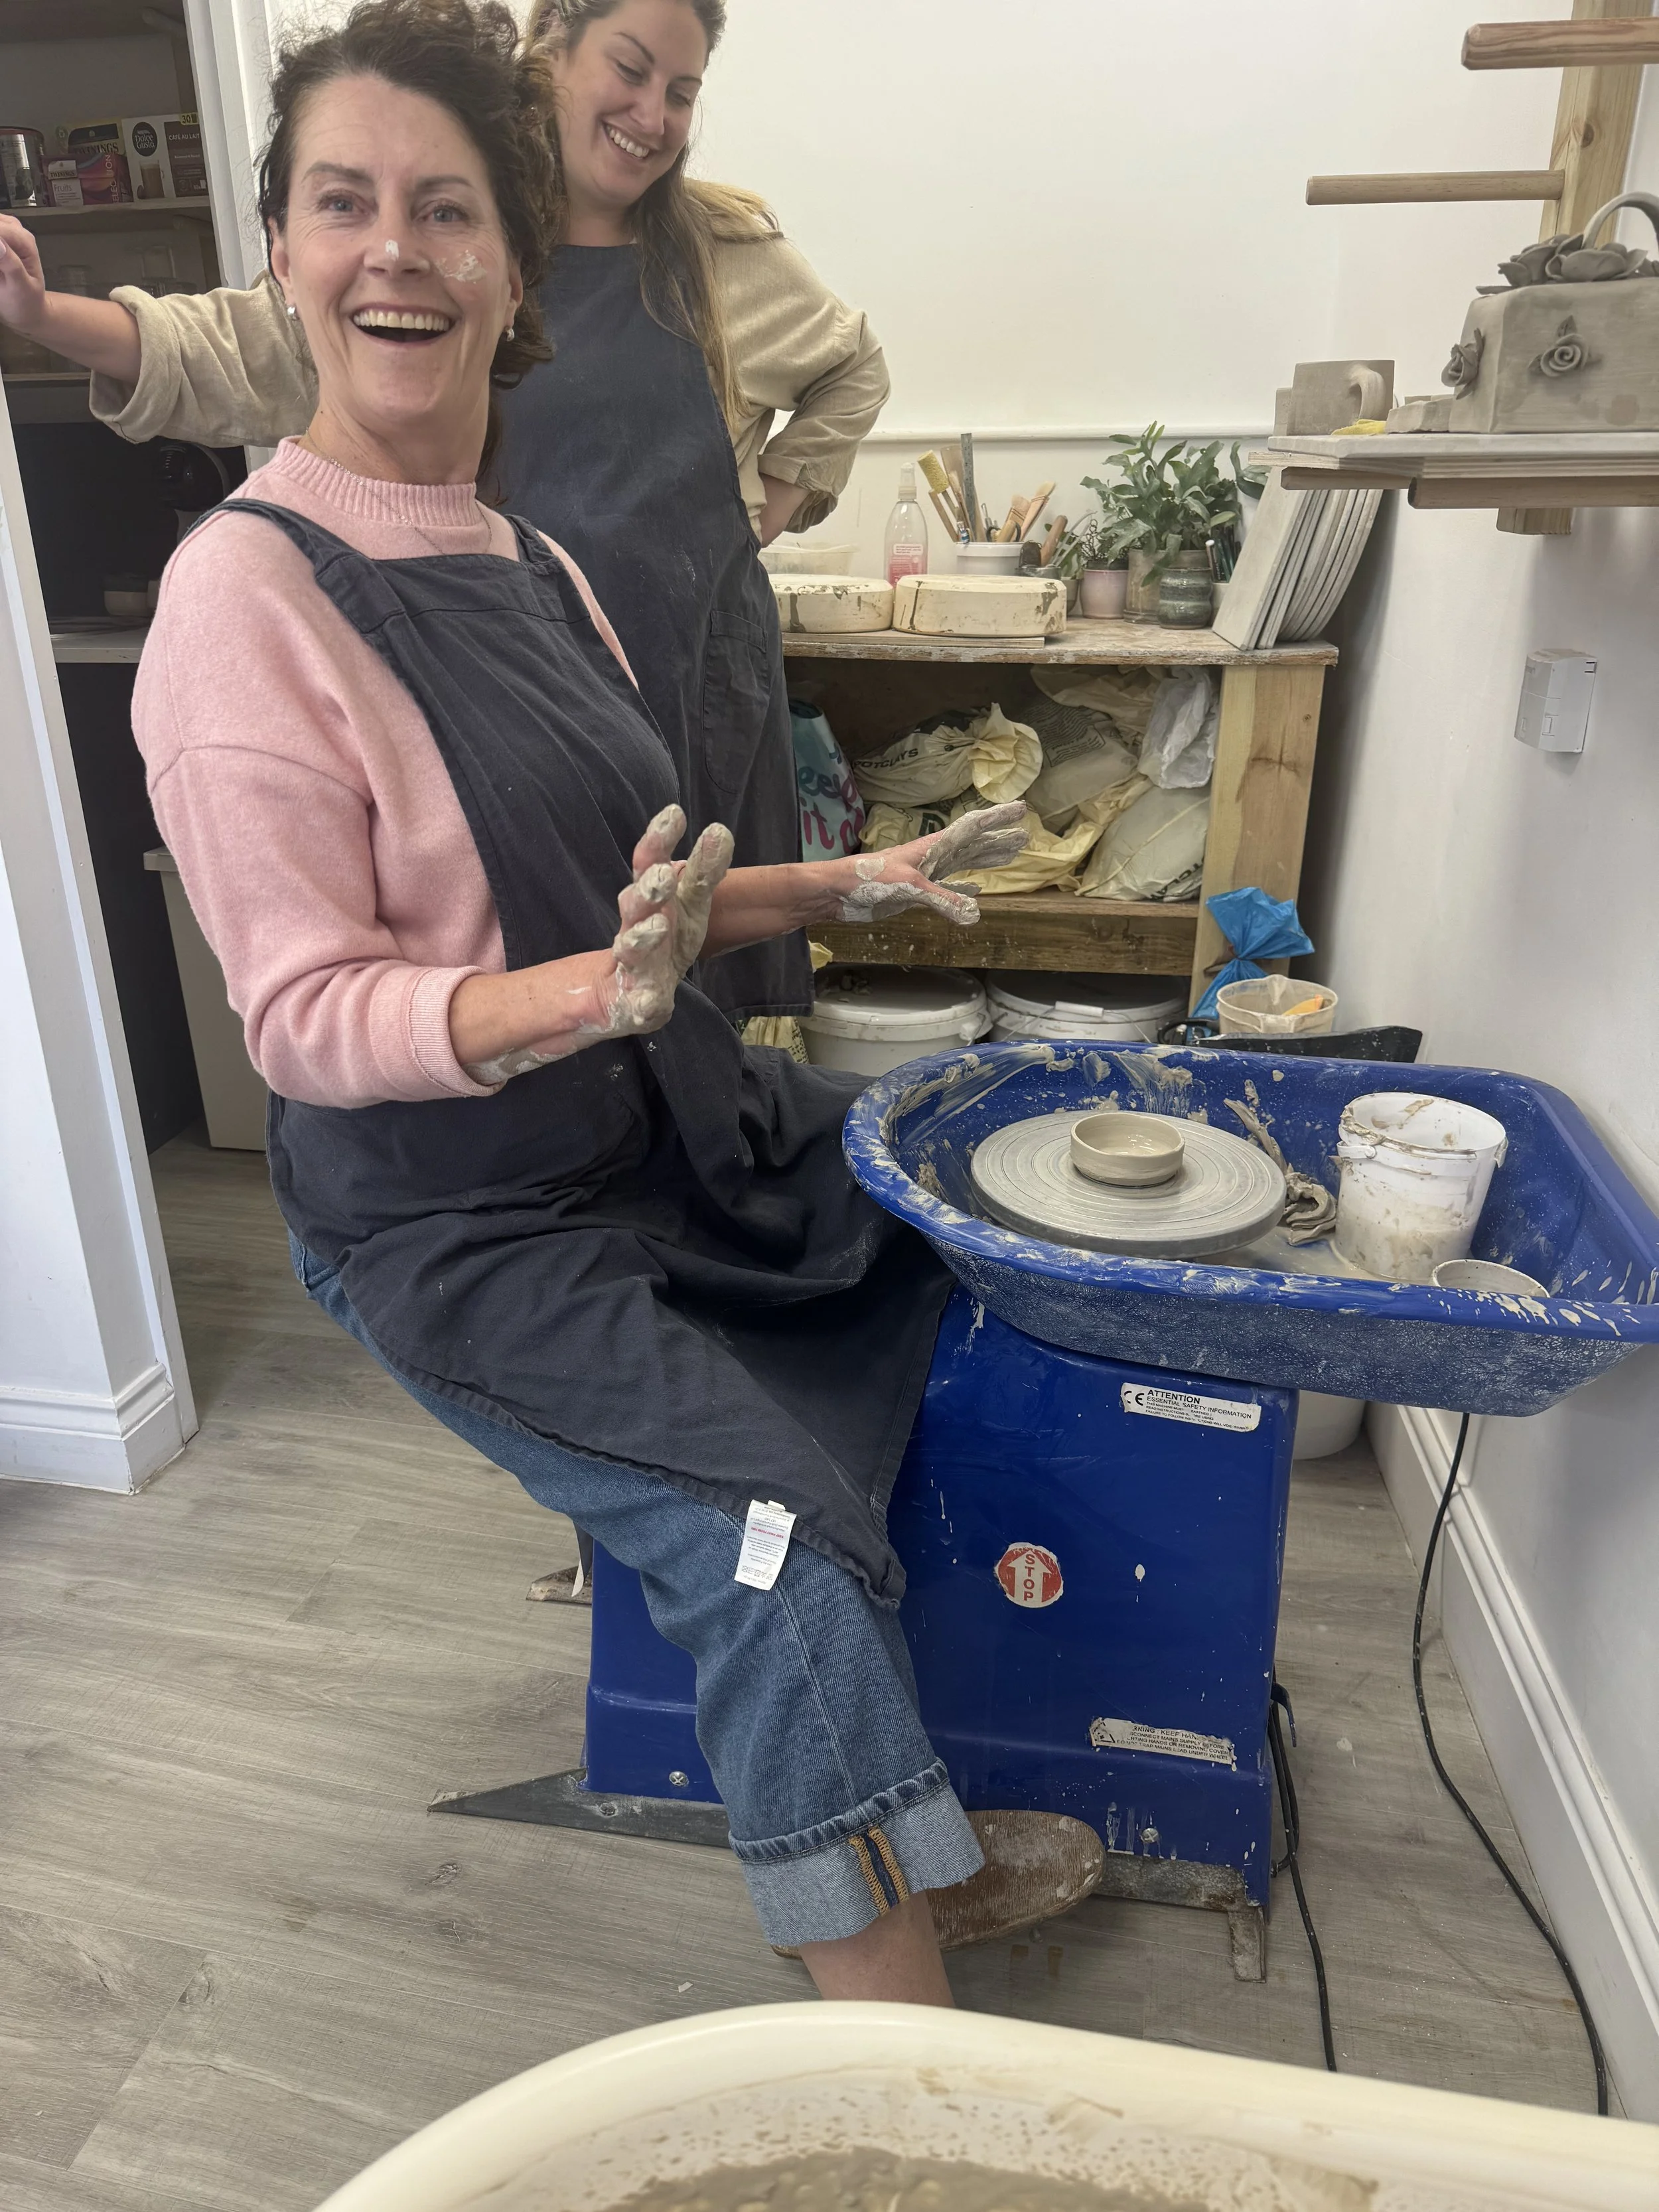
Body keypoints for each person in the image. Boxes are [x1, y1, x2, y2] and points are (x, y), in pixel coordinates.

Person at [126, 0, 1091, 2004]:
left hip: (644, 1122)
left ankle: (885, 1815)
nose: (396, 248)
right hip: (461, 1224)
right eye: (344, 203)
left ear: (510, 262)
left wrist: (849, 878)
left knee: (959, 1192)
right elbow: (304, 1021)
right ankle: (912, 2078)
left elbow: (653, 876)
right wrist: (592, 989)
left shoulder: (520, 554)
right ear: (289, 256)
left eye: (446, 209)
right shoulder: (243, 606)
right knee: (769, 1554)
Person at [0, 0, 883, 1026]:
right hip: (495, 678)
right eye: (630, 70)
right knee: (544, 958)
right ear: (552, 49)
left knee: (702, 997)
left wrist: (762, 509)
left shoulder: (725, 257)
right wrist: (41, 317)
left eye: (681, 92)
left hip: (688, 673)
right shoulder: (418, 270)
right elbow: (227, 346)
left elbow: (852, 370)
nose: (652, 112)